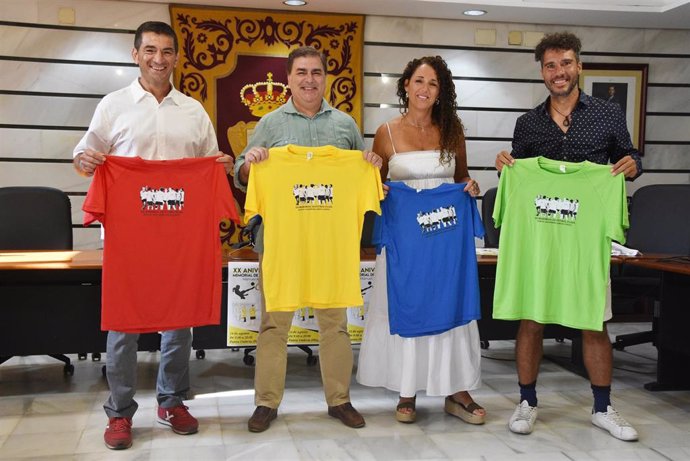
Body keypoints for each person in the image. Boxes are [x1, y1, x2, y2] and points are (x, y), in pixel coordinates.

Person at [73, 21, 234, 450]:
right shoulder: (113, 105)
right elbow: (84, 153)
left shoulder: (193, 110)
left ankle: (171, 401)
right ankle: (120, 412)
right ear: (135, 54)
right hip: (129, 237)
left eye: (166, 51)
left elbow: (208, 164)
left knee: (179, 322)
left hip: (181, 239)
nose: (158, 59)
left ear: (177, 57)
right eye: (150, 50)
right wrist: (85, 160)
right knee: (123, 324)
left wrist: (221, 165)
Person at [495, 32, 642, 441]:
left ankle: (603, 406)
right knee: (532, 318)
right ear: (542, 71)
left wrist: (634, 165)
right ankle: (527, 401)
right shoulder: (527, 124)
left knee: (594, 321)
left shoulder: (608, 115)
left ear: (579, 66)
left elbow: (630, 156)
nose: (559, 72)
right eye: (550, 65)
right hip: (540, 241)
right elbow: (518, 178)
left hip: (585, 243)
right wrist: (506, 166)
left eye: (565, 63)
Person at [233, 46, 382, 433]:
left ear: (325, 77)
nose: (309, 79)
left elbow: (361, 174)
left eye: (316, 72)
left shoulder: (345, 125)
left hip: (332, 246)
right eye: (301, 72)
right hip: (281, 244)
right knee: (272, 325)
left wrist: (370, 165)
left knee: (335, 325)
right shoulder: (269, 123)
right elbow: (241, 172)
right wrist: (251, 164)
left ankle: (339, 400)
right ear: (289, 77)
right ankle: (266, 403)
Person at [356, 56, 485, 424]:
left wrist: (470, 187)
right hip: (404, 241)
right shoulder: (386, 132)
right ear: (406, 86)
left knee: (448, 303)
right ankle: (407, 388)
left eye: (433, 83)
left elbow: (462, 178)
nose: (424, 89)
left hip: (444, 242)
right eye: (419, 81)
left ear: (440, 91)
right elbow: (373, 188)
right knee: (406, 303)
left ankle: (456, 389)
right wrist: (375, 181)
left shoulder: (453, 132)